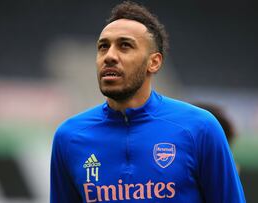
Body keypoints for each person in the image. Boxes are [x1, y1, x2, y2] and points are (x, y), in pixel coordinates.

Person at [50, 1, 245, 202]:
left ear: (154, 62)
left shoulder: (200, 128)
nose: (109, 56)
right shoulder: (70, 136)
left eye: (125, 46)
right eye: (103, 47)